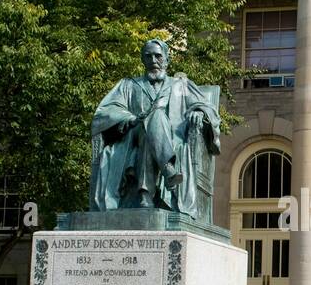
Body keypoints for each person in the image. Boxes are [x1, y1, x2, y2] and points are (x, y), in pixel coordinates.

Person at [89, 37, 221, 221]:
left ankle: (145, 196)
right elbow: (104, 113)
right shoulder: (128, 85)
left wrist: (198, 112)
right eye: (148, 56)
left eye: (158, 56)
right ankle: (168, 169)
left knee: (154, 122)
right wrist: (130, 118)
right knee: (154, 118)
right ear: (143, 60)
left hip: (169, 138)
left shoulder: (180, 86)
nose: (153, 61)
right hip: (132, 135)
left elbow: (208, 108)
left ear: (167, 59)